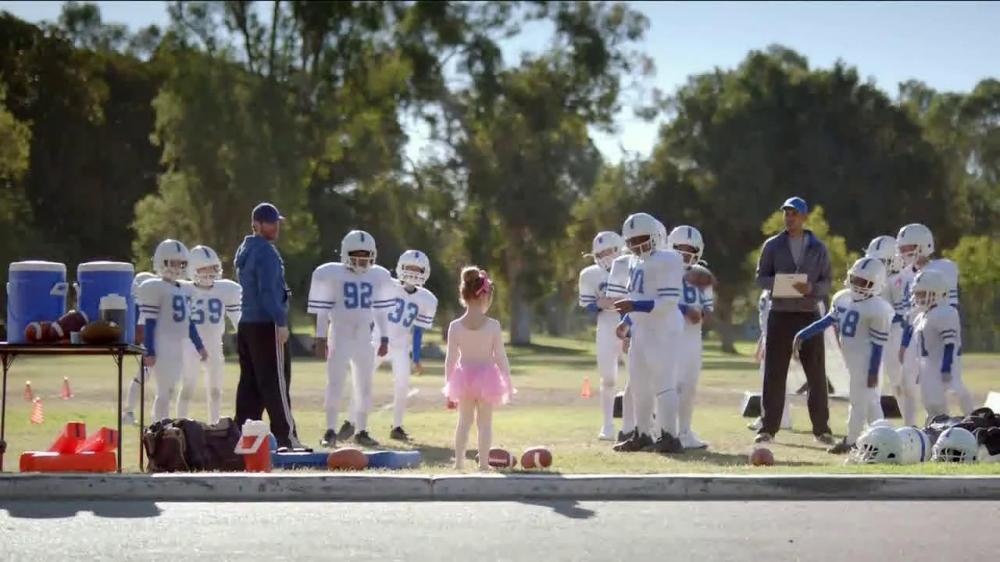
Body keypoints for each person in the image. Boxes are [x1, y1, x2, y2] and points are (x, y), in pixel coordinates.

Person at [754, 196, 833, 445]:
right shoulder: (772, 245)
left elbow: (827, 282)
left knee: (816, 374)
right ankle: (768, 428)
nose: (789, 218)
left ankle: (822, 430)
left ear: (804, 217)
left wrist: (811, 287)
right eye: (786, 214)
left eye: (794, 214)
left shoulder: (819, 248)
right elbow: (761, 278)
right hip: (780, 314)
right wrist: (782, 285)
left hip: (809, 315)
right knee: (774, 373)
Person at [794, 257, 894, 454]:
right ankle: (885, 441)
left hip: (866, 362)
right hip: (853, 361)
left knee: (858, 402)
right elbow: (827, 321)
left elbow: (878, 345)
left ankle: (851, 441)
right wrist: (803, 333)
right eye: (855, 279)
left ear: (876, 285)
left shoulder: (879, 309)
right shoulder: (843, 298)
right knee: (872, 403)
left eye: (864, 282)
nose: (857, 285)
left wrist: (873, 370)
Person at [308, 229, 392, 448]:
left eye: (366, 255)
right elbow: (323, 310)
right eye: (357, 254)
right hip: (340, 333)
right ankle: (330, 430)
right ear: (346, 253)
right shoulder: (331, 274)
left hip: (365, 335)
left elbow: (381, 311)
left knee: (364, 386)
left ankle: (361, 430)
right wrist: (320, 337)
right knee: (335, 383)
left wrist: (384, 337)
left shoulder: (378, 275)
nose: (362, 260)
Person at [611, 212, 686, 454]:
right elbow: (636, 296)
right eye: (631, 240)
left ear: (654, 236)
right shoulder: (633, 261)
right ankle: (642, 433)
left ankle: (670, 436)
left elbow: (668, 302)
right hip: (642, 328)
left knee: (663, 383)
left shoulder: (669, 258)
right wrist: (626, 321)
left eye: (641, 238)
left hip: (663, 329)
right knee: (639, 385)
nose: (636, 245)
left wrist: (634, 307)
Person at [233, 202, 300, 449]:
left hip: (247, 324)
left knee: (250, 384)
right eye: (271, 223)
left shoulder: (244, 249)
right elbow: (269, 291)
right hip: (266, 323)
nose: (276, 227)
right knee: (277, 382)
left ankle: (243, 436)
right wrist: (281, 321)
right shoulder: (266, 252)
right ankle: (286, 438)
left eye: (276, 222)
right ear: (257, 225)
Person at [443, 267, 514, 470]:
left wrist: (448, 388)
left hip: (463, 378)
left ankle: (458, 463)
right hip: (487, 378)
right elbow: (500, 356)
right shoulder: (493, 325)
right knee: (485, 424)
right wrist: (507, 380)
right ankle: (483, 464)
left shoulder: (455, 326)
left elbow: (450, 359)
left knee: (463, 422)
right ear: (484, 295)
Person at [136, 239, 208, 422]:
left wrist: (199, 345)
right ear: (162, 261)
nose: (177, 267)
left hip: (179, 343)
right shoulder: (154, 287)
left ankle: (162, 422)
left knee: (171, 387)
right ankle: (159, 423)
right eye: (173, 262)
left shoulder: (183, 289)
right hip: (163, 342)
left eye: (180, 263)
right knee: (164, 389)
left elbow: (188, 322)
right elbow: (150, 322)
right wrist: (149, 349)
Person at [375, 250, 439, 441]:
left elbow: (418, 331)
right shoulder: (387, 285)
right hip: (377, 340)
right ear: (400, 267)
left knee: (402, 385)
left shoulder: (427, 298)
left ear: (425, 271)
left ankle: (397, 426)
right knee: (362, 381)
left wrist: (417, 358)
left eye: (417, 269)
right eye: (409, 268)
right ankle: (352, 423)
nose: (412, 272)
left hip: (401, 346)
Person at [177, 245, 242, 424]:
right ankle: (180, 422)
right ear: (192, 270)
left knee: (215, 389)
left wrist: (246, 337)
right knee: (188, 386)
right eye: (203, 268)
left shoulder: (227, 289)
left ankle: (214, 423)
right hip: (190, 345)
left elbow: (238, 320)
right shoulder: (183, 289)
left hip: (214, 344)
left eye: (212, 267)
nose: (209, 272)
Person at [903, 269, 973, 418]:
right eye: (916, 293)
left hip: (940, 365)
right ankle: (936, 429)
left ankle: (972, 419)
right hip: (928, 366)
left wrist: (946, 367)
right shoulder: (922, 315)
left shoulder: (945, 312)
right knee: (930, 403)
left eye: (921, 293)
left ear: (937, 292)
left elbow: (950, 344)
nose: (917, 298)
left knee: (951, 396)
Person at [667, 225, 713, 450]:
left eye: (690, 249)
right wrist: (685, 310)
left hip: (692, 337)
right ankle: (667, 430)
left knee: (689, 386)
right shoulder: (664, 271)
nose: (685, 253)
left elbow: (706, 309)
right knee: (670, 385)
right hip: (669, 334)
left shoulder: (701, 275)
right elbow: (662, 301)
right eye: (680, 248)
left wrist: (699, 315)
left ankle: (685, 430)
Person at [578, 231, 627, 440]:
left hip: (631, 324)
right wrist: (600, 303)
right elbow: (588, 304)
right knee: (608, 378)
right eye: (600, 253)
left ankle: (637, 424)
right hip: (607, 326)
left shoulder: (632, 267)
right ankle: (607, 425)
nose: (605, 256)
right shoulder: (590, 274)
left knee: (638, 377)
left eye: (609, 250)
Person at [866, 234, 919, 426]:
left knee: (904, 383)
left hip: (896, 333)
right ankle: (900, 424)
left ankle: (911, 425)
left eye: (880, 261)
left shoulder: (900, 279)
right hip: (881, 334)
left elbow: (904, 313)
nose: (876, 265)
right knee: (889, 384)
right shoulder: (880, 279)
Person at [123, 270, 157, 425]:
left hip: (154, 345)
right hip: (149, 346)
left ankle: (130, 413)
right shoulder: (137, 307)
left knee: (144, 378)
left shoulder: (138, 305)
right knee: (142, 378)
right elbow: (140, 331)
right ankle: (129, 413)